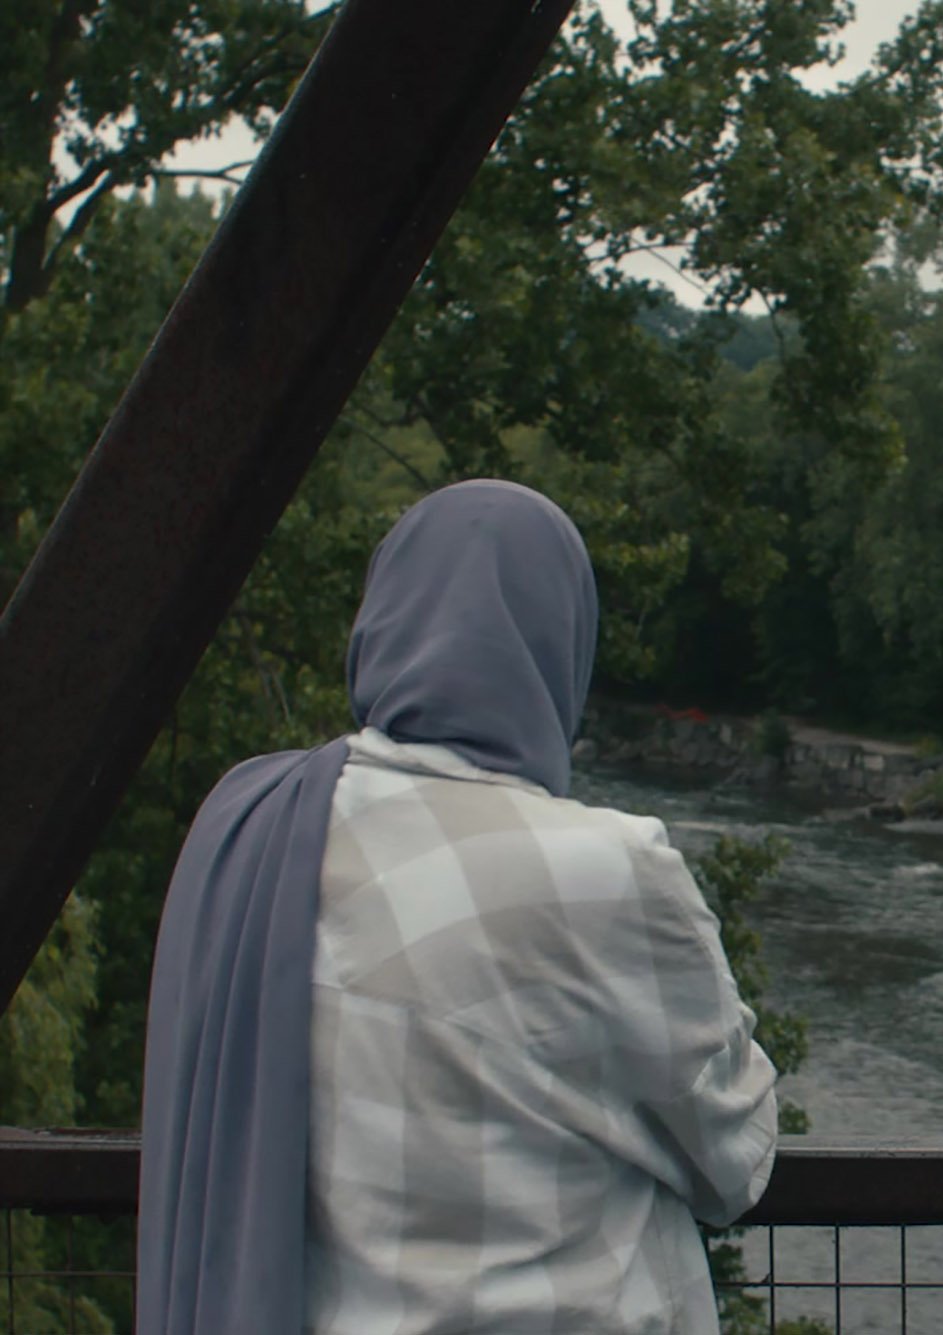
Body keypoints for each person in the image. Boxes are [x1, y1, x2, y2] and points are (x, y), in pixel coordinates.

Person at [139, 480, 777, 1335]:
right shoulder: (607, 867)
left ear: (381, 625)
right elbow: (732, 1160)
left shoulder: (260, 830)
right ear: (562, 648)